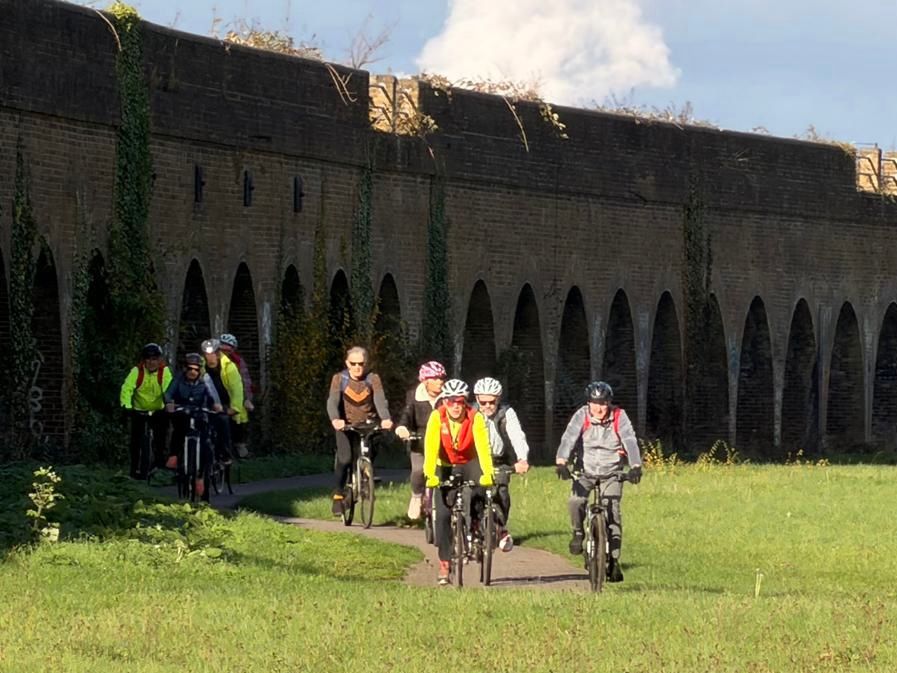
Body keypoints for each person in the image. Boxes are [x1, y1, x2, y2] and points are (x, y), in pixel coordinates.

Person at [555, 381, 642, 582]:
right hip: (585, 471)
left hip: (611, 472)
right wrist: (561, 461)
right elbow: (569, 438)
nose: (599, 408)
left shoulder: (619, 416)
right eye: (595, 403)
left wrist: (635, 466)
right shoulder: (582, 416)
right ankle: (578, 532)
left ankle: (614, 560)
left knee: (612, 512)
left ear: (609, 403)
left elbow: (629, 439)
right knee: (575, 501)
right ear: (589, 403)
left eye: (603, 403)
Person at [423, 379, 495, 585]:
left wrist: (488, 473)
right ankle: (445, 563)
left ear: (465, 402)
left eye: (460, 402)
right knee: (443, 515)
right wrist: (430, 474)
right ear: (444, 402)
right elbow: (430, 446)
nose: (455, 406)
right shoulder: (437, 417)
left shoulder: (476, 418)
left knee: (480, 489)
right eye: (450, 401)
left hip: (470, 461)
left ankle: (476, 524)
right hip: (444, 464)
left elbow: (483, 448)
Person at [326, 346, 393, 514]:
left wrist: (385, 418)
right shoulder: (339, 379)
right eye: (353, 363)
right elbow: (332, 401)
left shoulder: (373, 379)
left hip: (367, 424)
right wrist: (335, 419)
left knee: (371, 449)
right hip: (346, 425)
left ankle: (366, 477)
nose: (357, 367)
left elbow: (379, 400)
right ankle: (339, 495)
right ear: (347, 363)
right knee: (345, 459)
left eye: (361, 364)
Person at [473, 377, 530, 552]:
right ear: (476, 399)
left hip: (499, 460)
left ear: (498, 399)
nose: (488, 406)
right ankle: (471, 527)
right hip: (475, 460)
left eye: (492, 401)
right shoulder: (470, 412)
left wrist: (522, 458)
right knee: (473, 493)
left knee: (502, 492)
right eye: (483, 401)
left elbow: (517, 435)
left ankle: (501, 528)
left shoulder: (507, 413)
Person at [164, 353, 223, 500]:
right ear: (185, 368)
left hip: (200, 414)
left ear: (200, 370)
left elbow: (213, 396)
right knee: (178, 430)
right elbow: (169, 393)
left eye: (196, 369)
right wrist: (169, 402)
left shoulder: (205, 380)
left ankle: (201, 476)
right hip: (183, 412)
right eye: (190, 368)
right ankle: (174, 456)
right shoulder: (178, 378)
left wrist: (216, 405)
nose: (192, 372)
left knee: (205, 443)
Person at [395, 361, 446, 520]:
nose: (440, 382)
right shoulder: (414, 397)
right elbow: (407, 415)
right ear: (425, 381)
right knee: (418, 471)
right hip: (420, 443)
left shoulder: (448, 397)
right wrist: (403, 428)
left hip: (442, 442)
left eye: (442, 378)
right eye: (436, 378)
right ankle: (417, 496)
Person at [119, 343, 172, 479]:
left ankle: (159, 465)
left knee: (160, 437)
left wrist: (169, 403)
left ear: (159, 360)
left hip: (157, 410)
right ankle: (134, 468)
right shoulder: (137, 371)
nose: (151, 362)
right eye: (148, 359)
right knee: (136, 441)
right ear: (144, 360)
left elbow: (168, 388)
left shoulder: (164, 372)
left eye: (154, 359)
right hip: (139, 410)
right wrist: (126, 405)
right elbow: (127, 388)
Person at [200, 338, 246, 465]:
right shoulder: (200, 366)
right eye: (207, 354)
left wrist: (234, 408)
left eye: (213, 353)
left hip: (224, 403)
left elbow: (237, 389)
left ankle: (225, 454)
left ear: (218, 353)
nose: (210, 357)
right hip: (206, 403)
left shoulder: (229, 367)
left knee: (223, 421)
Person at [219, 333, 254, 458]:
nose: (225, 350)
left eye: (229, 347)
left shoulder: (238, 362)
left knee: (239, 416)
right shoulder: (212, 359)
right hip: (217, 394)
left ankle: (239, 445)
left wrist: (247, 399)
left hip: (234, 395)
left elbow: (245, 381)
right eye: (223, 347)